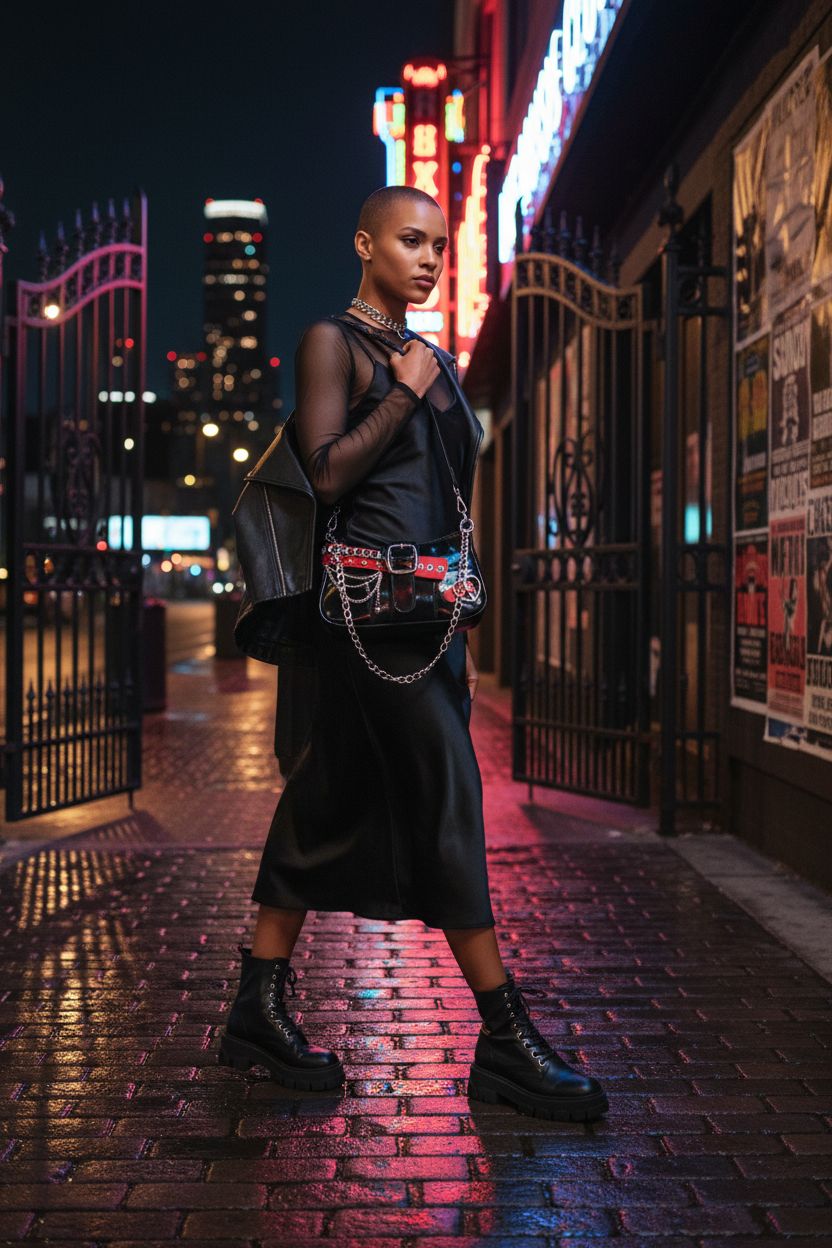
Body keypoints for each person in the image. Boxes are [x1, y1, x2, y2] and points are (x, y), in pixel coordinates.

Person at [218, 186, 608, 1122]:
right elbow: (326, 471)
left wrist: (460, 633)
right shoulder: (335, 345)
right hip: (358, 614)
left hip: (422, 622)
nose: (429, 258)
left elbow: (446, 497)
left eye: (438, 243)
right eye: (409, 240)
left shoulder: (433, 356)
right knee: (451, 797)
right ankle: (505, 1038)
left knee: (326, 798)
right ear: (365, 244)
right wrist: (402, 395)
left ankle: (256, 1005)